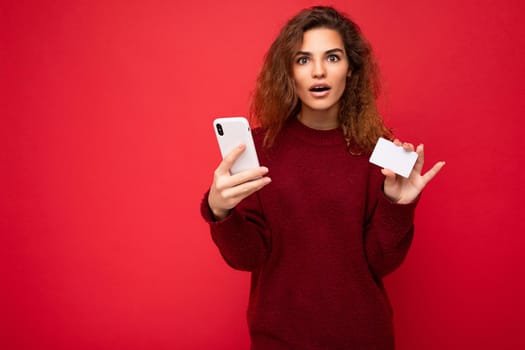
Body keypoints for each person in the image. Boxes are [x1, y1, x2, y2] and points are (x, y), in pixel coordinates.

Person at [201, 5, 445, 349]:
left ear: (350, 70)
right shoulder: (258, 149)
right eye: (303, 60)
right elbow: (247, 258)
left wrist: (398, 205)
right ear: (288, 71)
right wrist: (220, 211)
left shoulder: (383, 151)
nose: (318, 71)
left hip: (365, 339)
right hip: (278, 339)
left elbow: (381, 262)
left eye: (332, 58)